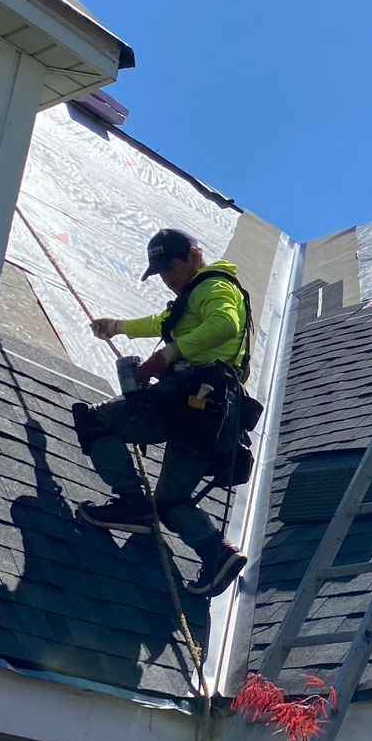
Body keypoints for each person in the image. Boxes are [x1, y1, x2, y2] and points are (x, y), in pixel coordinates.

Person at [73, 228, 253, 597]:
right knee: (172, 500)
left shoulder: (214, 287)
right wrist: (118, 327)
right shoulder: (192, 297)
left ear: (194, 255)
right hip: (213, 415)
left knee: (95, 420)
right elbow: (163, 321)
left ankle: (132, 502)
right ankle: (217, 554)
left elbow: (225, 324)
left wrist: (166, 355)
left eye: (171, 268)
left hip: (189, 400)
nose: (168, 280)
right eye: (162, 273)